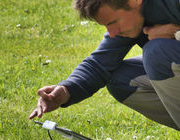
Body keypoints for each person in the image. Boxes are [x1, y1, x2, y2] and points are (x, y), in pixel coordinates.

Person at [29, 0, 180, 131]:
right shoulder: (137, 15)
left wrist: (177, 32)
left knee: (157, 52)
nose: (112, 33)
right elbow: (99, 64)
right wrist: (66, 90)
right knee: (120, 79)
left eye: (113, 22)